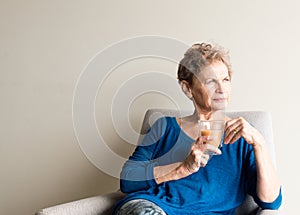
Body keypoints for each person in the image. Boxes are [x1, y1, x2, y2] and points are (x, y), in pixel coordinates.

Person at [112, 42, 282, 215]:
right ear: (187, 88)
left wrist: (259, 143)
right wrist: (183, 168)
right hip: (155, 207)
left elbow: (271, 201)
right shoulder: (164, 127)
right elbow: (128, 181)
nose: (221, 89)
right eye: (211, 82)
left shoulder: (244, 136)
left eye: (226, 80)